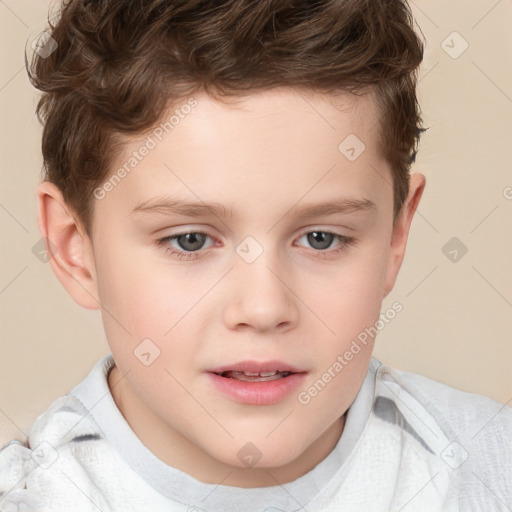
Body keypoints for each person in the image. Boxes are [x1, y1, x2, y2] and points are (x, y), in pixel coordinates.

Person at [0, 0, 510, 510]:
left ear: (396, 235)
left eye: (321, 238)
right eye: (190, 240)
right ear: (74, 248)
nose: (264, 309)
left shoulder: (490, 471)